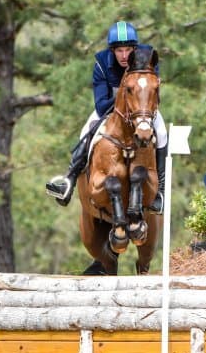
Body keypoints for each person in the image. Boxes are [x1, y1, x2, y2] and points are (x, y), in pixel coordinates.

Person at [46, 21, 168, 212]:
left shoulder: (148, 58)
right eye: (119, 50)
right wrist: (123, 98)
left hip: (141, 110)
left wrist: (139, 104)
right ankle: (69, 180)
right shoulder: (102, 63)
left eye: (128, 50)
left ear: (135, 49)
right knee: (86, 131)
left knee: (161, 132)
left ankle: (160, 190)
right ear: (112, 50)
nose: (124, 56)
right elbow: (101, 105)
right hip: (110, 111)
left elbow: (153, 93)